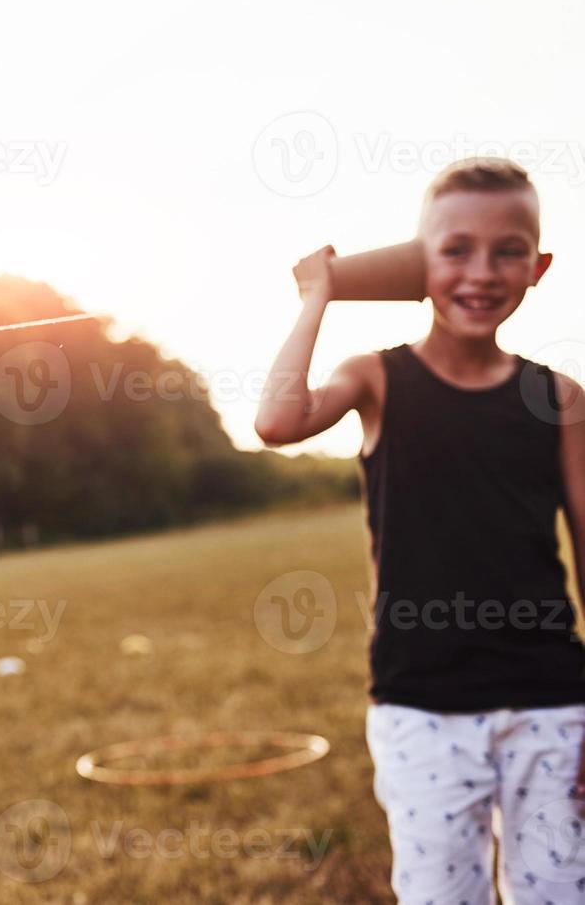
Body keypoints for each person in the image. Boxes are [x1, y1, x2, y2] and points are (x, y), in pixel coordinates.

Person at [255, 157, 585, 903]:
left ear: (538, 267)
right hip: (420, 705)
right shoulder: (374, 378)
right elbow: (277, 420)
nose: (482, 271)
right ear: (416, 262)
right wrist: (320, 293)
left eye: (507, 251)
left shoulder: (559, 397)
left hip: (552, 703)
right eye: (455, 248)